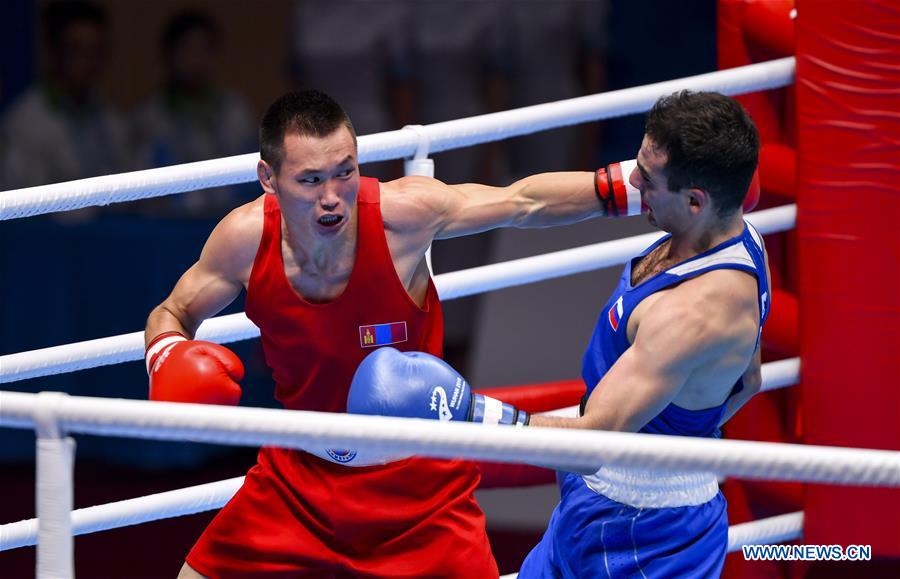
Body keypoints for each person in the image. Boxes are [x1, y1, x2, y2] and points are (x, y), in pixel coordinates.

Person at [144, 89, 641, 578]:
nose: (332, 197)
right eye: (310, 180)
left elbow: (523, 201)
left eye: (345, 172)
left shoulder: (400, 217)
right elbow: (173, 311)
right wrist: (166, 354)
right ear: (268, 179)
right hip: (300, 481)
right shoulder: (244, 240)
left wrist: (636, 188)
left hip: (420, 485)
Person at [347, 90, 769, 577]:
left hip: (645, 535)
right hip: (604, 495)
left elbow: (593, 443)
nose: (632, 182)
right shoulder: (732, 234)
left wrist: (462, 412)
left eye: (647, 180)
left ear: (695, 201)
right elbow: (748, 381)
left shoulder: (694, 314)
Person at [131, 10, 257, 218]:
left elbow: (254, 178)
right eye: (188, 50)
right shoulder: (149, 118)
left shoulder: (236, 111)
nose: (196, 60)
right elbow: (142, 193)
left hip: (231, 220)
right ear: (169, 54)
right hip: (170, 225)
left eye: (204, 50)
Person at [0, 1, 128, 196]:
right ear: (54, 51)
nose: (88, 62)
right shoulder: (22, 123)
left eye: (95, 51)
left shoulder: (110, 117)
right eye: (77, 50)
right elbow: (22, 202)